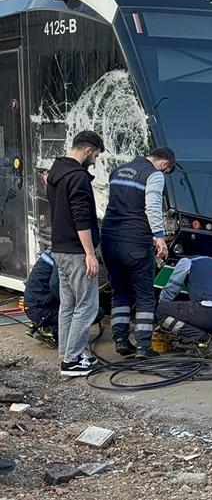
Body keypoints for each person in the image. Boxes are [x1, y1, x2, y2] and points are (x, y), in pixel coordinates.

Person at [102, 147, 176, 359]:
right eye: (166, 170)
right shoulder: (154, 175)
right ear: (165, 164)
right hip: (135, 240)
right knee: (144, 295)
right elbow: (152, 207)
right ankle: (143, 345)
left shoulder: (117, 171)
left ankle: (120, 339)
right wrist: (159, 237)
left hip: (109, 239)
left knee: (120, 291)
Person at [48, 130, 105, 377]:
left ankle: (67, 353)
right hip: (76, 251)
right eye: (96, 155)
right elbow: (81, 218)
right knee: (87, 305)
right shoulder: (78, 177)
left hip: (59, 249)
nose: (95, 160)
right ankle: (71, 361)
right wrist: (90, 254)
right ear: (88, 150)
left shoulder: (56, 171)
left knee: (68, 305)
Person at [155, 256, 212, 357]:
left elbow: (171, 289)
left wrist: (164, 320)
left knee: (161, 311)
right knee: (200, 313)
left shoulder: (186, 262)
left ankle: (203, 340)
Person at [22, 250, 60, 349]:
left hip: (33, 305)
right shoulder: (61, 255)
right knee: (86, 312)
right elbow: (55, 285)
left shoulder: (54, 250)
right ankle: (48, 330)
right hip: (38, 309)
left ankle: (39, 324)